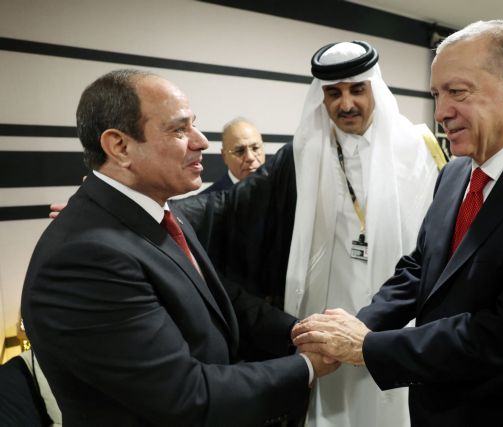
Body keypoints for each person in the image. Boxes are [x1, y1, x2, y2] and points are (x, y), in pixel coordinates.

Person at [292, 19, 503, 426]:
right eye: (436, 94)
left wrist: (369, 347)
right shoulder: (455, 172)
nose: (441, 112)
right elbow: (421, 269)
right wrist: (361, 323)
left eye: (457, 92)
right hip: (437, 405)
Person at [21, 69, 337, 427]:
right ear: (120, 146)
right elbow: (187, 396)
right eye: (179, 129)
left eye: (195, 126)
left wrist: (300, 331)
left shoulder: (160, 212)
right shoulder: (84, 258)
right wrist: (307, 366)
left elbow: (215, 299)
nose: (201, 141)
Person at [177, 41, 441, 427]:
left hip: (396, 312)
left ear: (374, 88)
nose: (345, 104)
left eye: (356, 90)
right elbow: (226, 207)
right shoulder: (301, 154)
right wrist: (147, 207)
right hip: (325, 312)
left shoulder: (418, 149)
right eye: (333, 93)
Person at [200, 117, 265, 193]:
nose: (250, 157)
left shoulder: (279, 191)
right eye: (240, 151)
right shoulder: (207, 201)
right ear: (224, 156)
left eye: (255, 148)